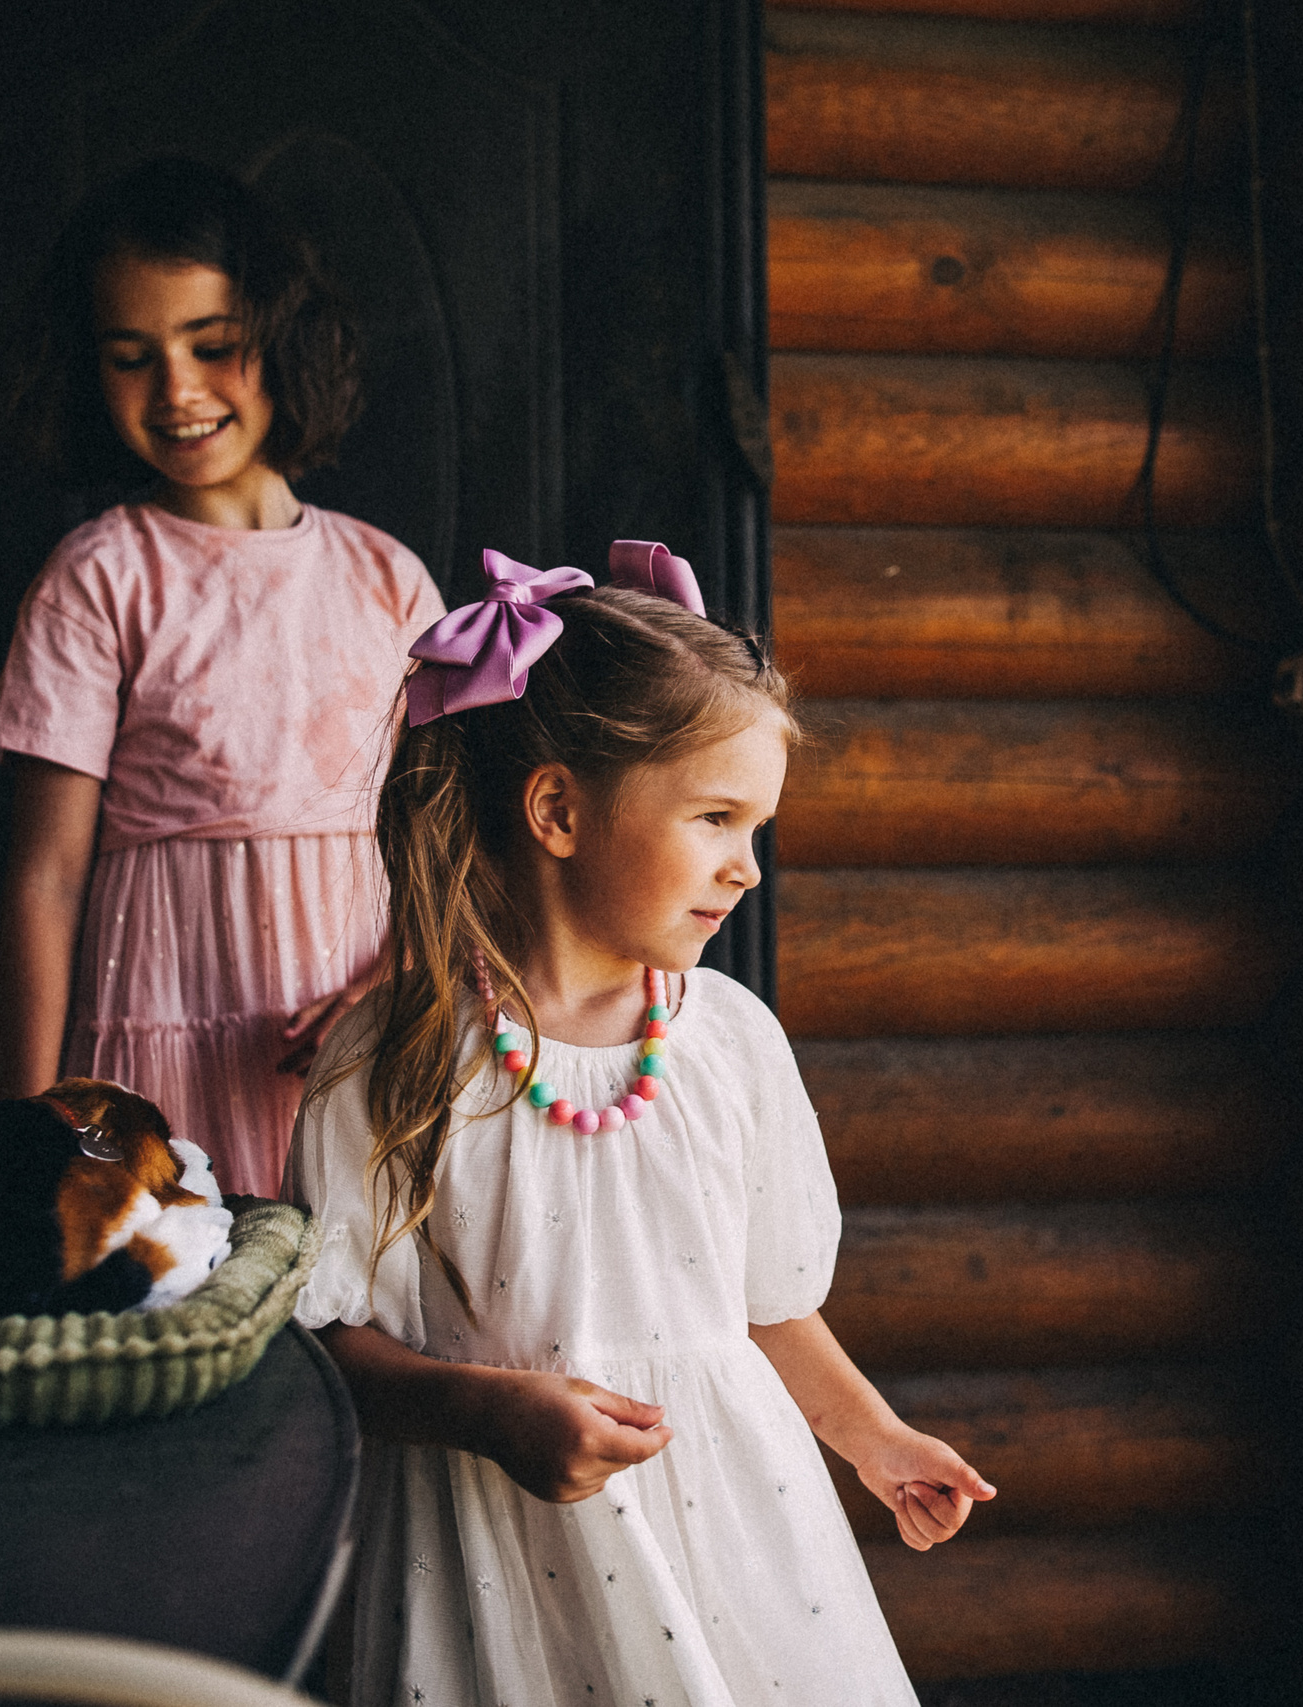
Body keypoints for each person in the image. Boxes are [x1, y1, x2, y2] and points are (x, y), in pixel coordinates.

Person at [293, 542, 993, 1706]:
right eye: (716, 818)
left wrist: (872, 1438)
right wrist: (480, 1408)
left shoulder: (729, 1043)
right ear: (558, 808)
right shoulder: (392, 1060)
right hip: (499, 1553)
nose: (747, 869)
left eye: (755, 829)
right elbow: (337, 1346)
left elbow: (768, 1310)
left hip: (733, 1533)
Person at [0, 158, 443, 1197]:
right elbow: (44, 877)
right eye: (131, 358)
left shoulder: (386, 578)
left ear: (280, 344)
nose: (179, 391)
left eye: (215, 347)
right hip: (161, 1038)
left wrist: (397, 975)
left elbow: (441, 828)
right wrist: (16, 1136)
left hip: (354, 1041)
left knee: (353, 1319)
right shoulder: (99, 578)